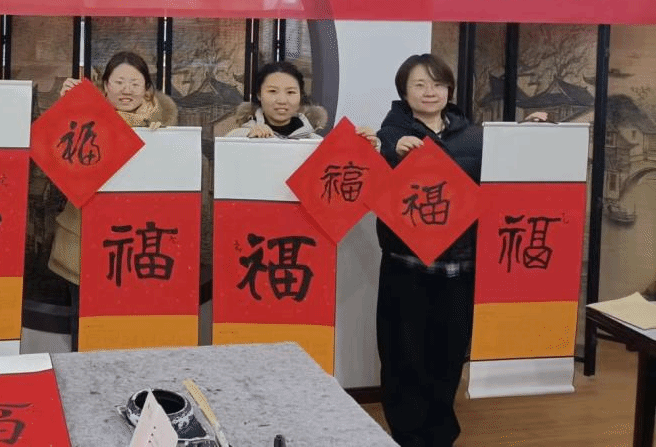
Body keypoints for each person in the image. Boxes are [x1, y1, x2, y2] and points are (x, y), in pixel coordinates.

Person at [374, 53, 546, 447]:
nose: (429, 91)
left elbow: (509, 165)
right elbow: (370, 161)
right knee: (403, 357)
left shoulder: (473, 135)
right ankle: (407, 436)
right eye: (419, 84)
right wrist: (390, 148)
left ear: (449, 90)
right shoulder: (391, 133)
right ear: (404, 91)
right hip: (406, 269)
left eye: (437, 84)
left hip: (460, 269)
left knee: (448, 355)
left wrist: (530, 132)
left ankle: (440, 435)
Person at [47, 51, 178, 346]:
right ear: (105, 85)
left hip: (138, 245)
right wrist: (67, 108)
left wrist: (161, 141)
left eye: (134, 83)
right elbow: (54, 163)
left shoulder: (165, 130)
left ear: (147, 89)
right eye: (118, 82)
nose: (126, 90)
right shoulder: (86, 119)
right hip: (83, 241)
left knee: (130, 331)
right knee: (84, 329)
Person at [225, 60, 380, 149]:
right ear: (259, 94)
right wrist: (247, 139)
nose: (282, 100)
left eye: (290, 92)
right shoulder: (240, 135)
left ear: (300, 96)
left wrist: (368, 146)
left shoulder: (316, 144)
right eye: (272, 91)